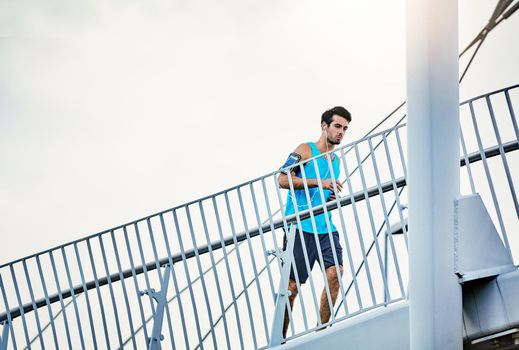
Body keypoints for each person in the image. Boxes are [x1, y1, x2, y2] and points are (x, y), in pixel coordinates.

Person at [278, 106, 351, 338]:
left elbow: (323, 190)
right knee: (291, 288)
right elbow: (282, 178)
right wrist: (319, 182)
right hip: (299, 227)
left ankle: (320, 334)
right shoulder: (306, 150)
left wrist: (329, 194)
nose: (341, 132)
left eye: (345, 129)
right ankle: (279, 340)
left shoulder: (335, 160)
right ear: (324, 126)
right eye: (337, 126)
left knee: (336, 274)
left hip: (325, 227)